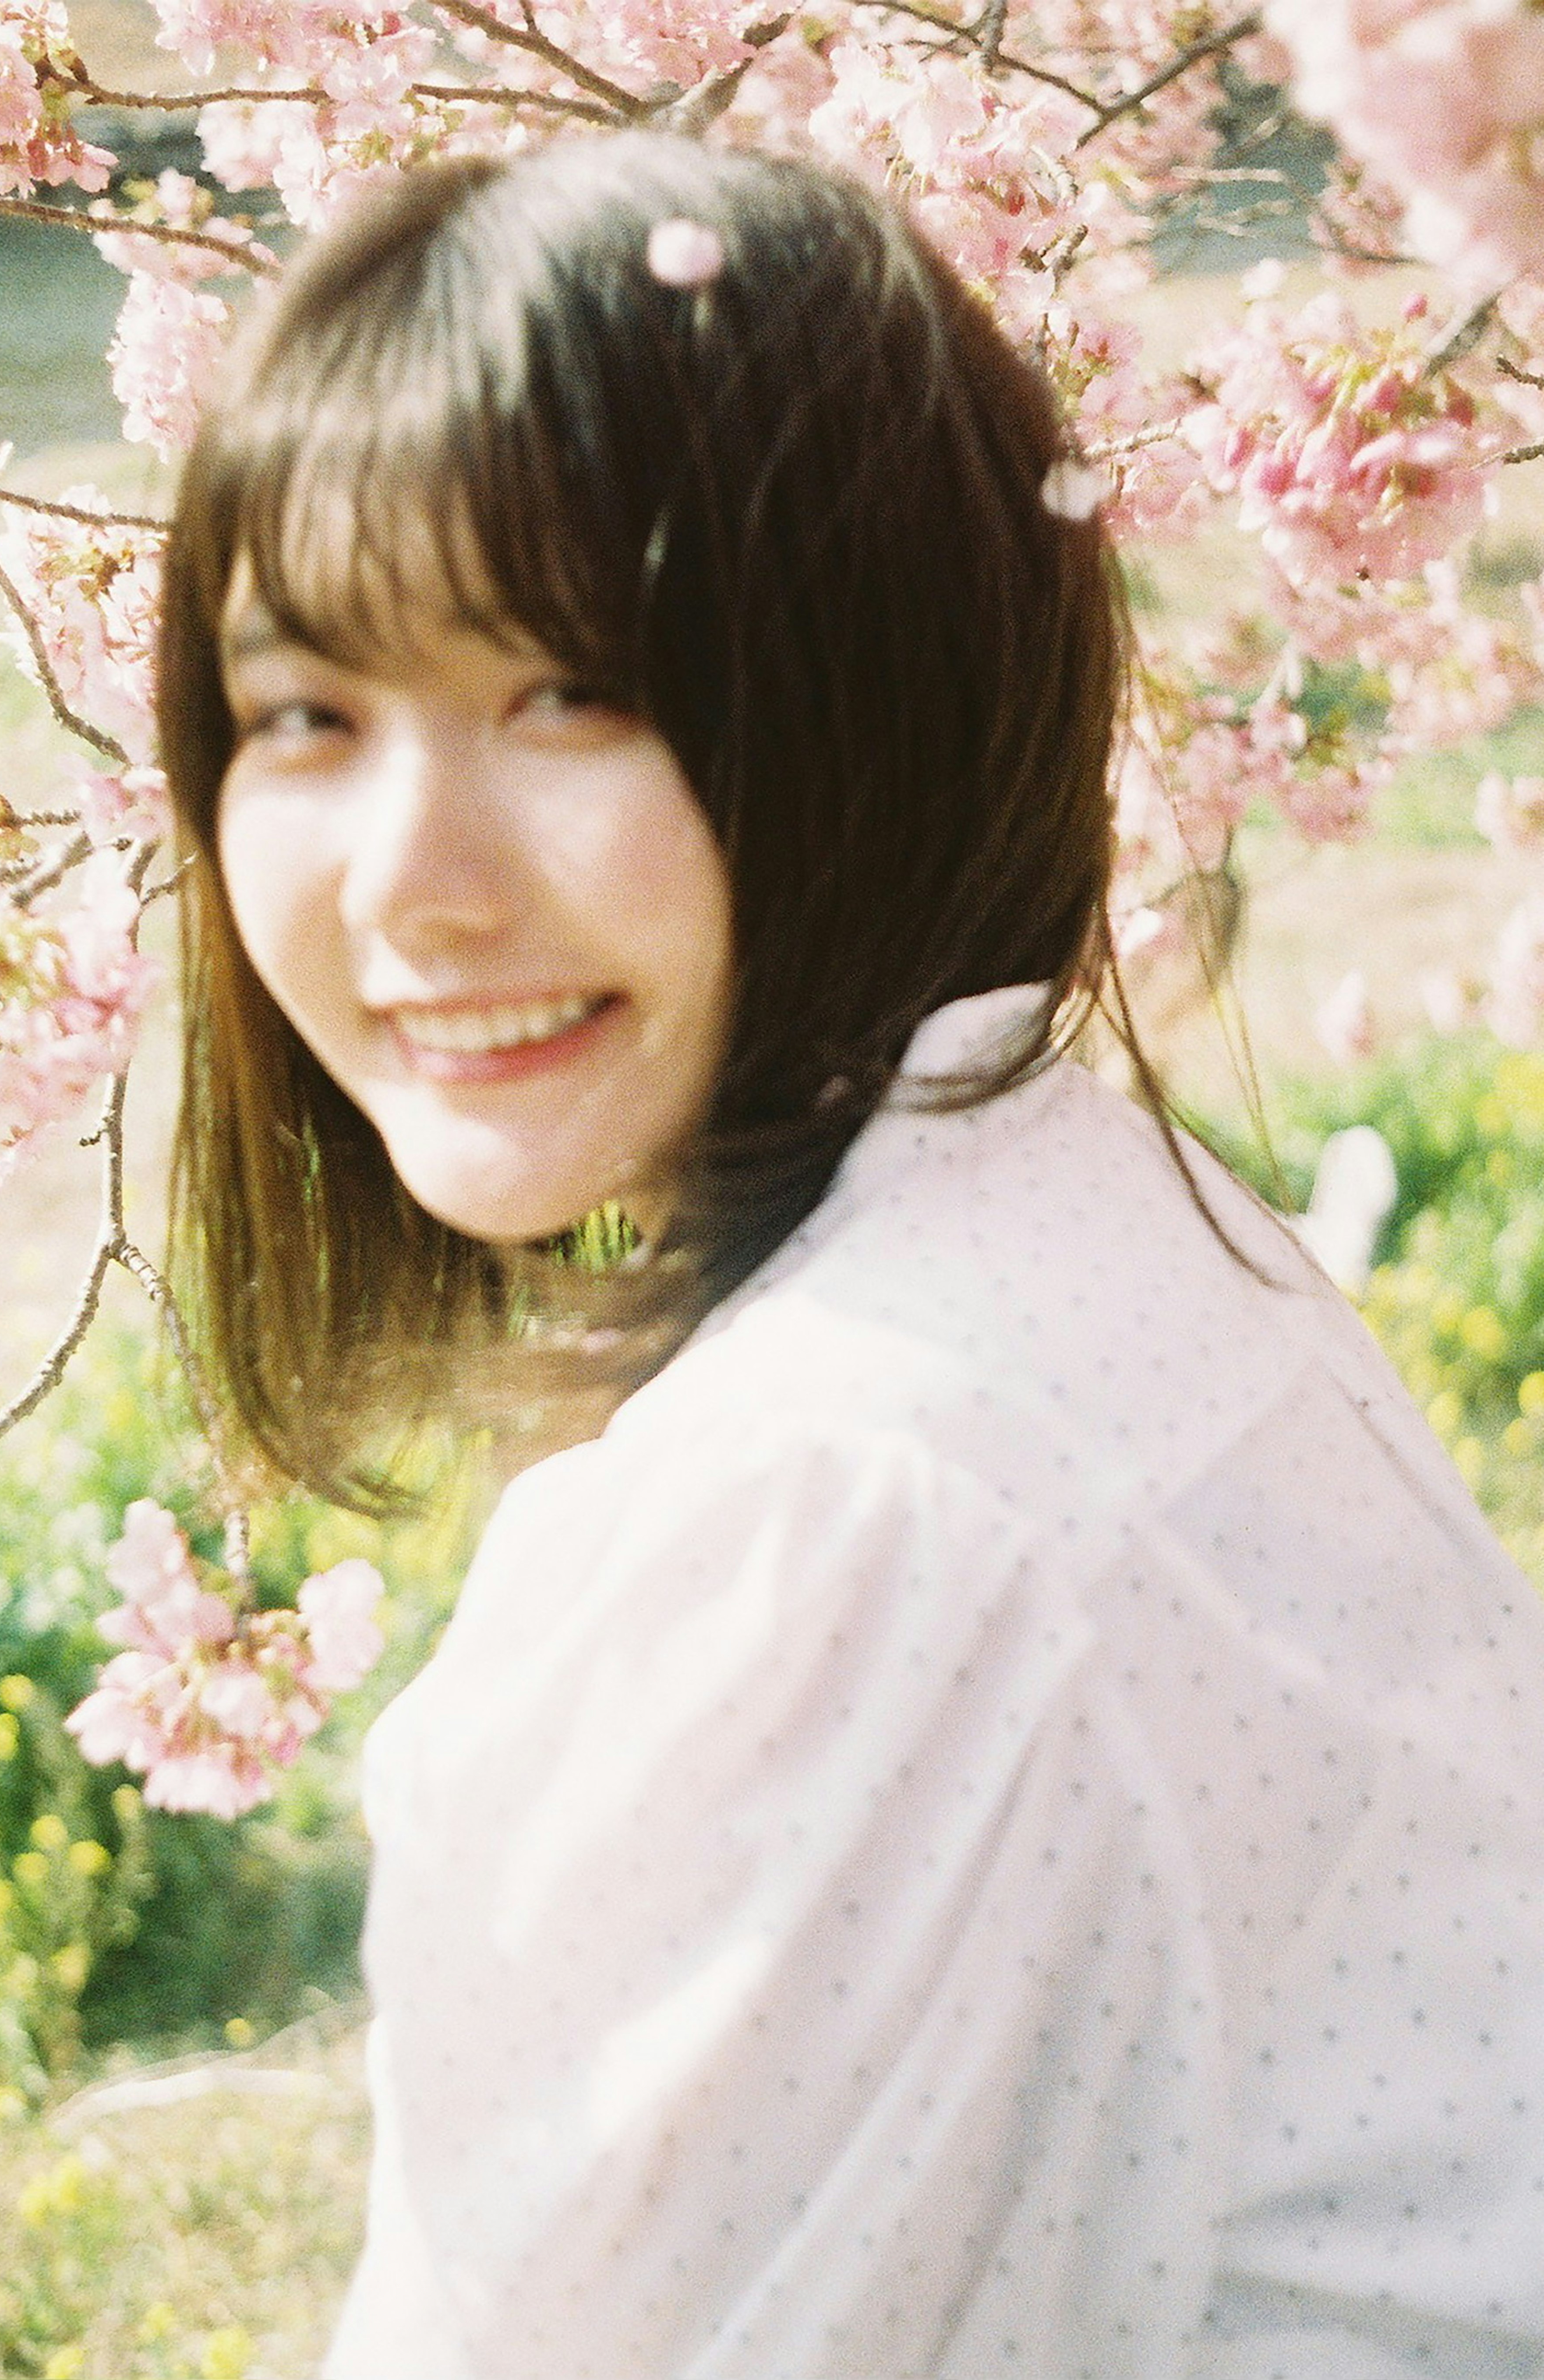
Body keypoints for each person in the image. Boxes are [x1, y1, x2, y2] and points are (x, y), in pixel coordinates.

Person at [157, 132, 1544, 2379]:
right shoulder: (1087, 1220)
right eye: (305, 713)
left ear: (869, 701)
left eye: (571, 692)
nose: (409, 881)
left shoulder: (839, 1516)